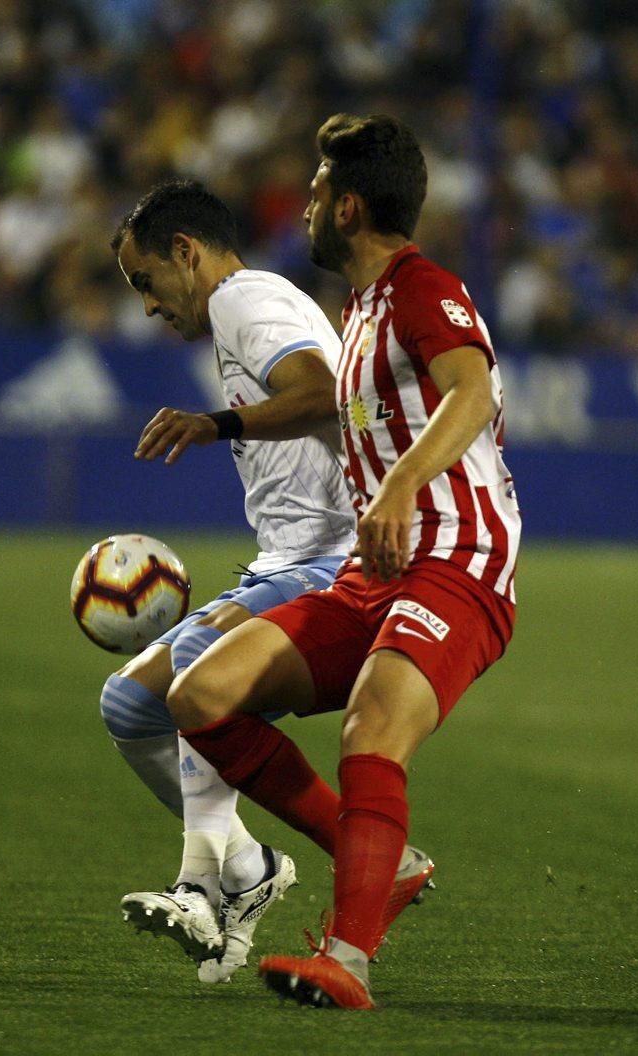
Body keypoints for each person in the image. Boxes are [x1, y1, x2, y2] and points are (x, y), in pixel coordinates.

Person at [164, 114, 521, 1009]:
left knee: (372, 728)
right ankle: (382, 860)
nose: (308, 204)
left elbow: (472, 391)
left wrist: (399, 483)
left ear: (348, 205)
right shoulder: (357, 313)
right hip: (376, 573)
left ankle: (349, 957)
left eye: (319, 190)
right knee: (199, 694)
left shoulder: (417, 285)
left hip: (457, 559)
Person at [103, 178, 435, 985]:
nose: (147, 305)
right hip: (290, 557)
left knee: (192, 678)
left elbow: (321, 393)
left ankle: (201, 884)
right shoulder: (243, 312)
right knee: (130, 703)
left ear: (186, 252)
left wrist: (216, 425)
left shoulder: (242, 301)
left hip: (325, 559)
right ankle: (249, 870)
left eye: (145, 281)